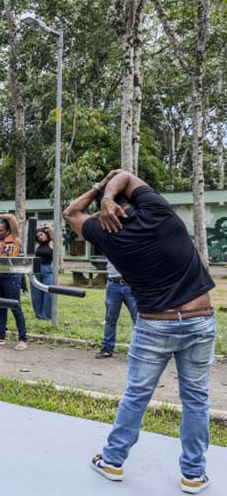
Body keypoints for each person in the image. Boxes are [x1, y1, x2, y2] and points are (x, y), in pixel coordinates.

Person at [63, 169, 215, 494]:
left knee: (137, 396)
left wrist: (97, 192)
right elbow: (125, 174)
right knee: (196, 399)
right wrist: (108, 192)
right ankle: (193, 475)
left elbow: (70, 212)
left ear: (108, 212)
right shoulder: (160, 213)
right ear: (132, 199)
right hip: (199, 318)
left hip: (154, 324)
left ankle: (113, 462)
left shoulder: (105, 234)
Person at [0, 214, 28, 350]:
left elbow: (11, 217)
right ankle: (0, 337)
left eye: (0, 230)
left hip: (11, 277)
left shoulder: (15, 238)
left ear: (8, 230)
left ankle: (23, 339)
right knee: (0, 307)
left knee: (15, 307)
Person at [95, 259, 138, 359]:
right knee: (110, 319)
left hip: (132, 284)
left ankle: (139, 350)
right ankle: (107, 348)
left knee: (138, 319)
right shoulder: (110, 243)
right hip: (113, 283)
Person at [30, 226, 54, 320]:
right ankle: (38, 314)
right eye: (38, 236)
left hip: (47, 269)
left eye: (41, 234)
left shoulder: (51, 243)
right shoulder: (37, 245)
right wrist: (37, 230)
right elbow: (31, 235)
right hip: (36, 269)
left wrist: (44, 227)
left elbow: (53, 231)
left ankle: (46, 316)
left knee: (48, 293)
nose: (40, 237)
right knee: (36, 293)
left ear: (46, 234)